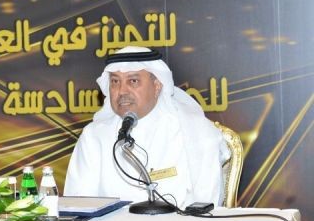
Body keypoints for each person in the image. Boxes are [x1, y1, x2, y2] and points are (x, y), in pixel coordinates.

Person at [64, 46, 230, 208]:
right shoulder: (94, 136)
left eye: (133, 81)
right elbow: (79, 205)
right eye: (115, 81)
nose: (122, 91)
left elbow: (207, 205)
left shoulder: (196, 132)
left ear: (157, 86)